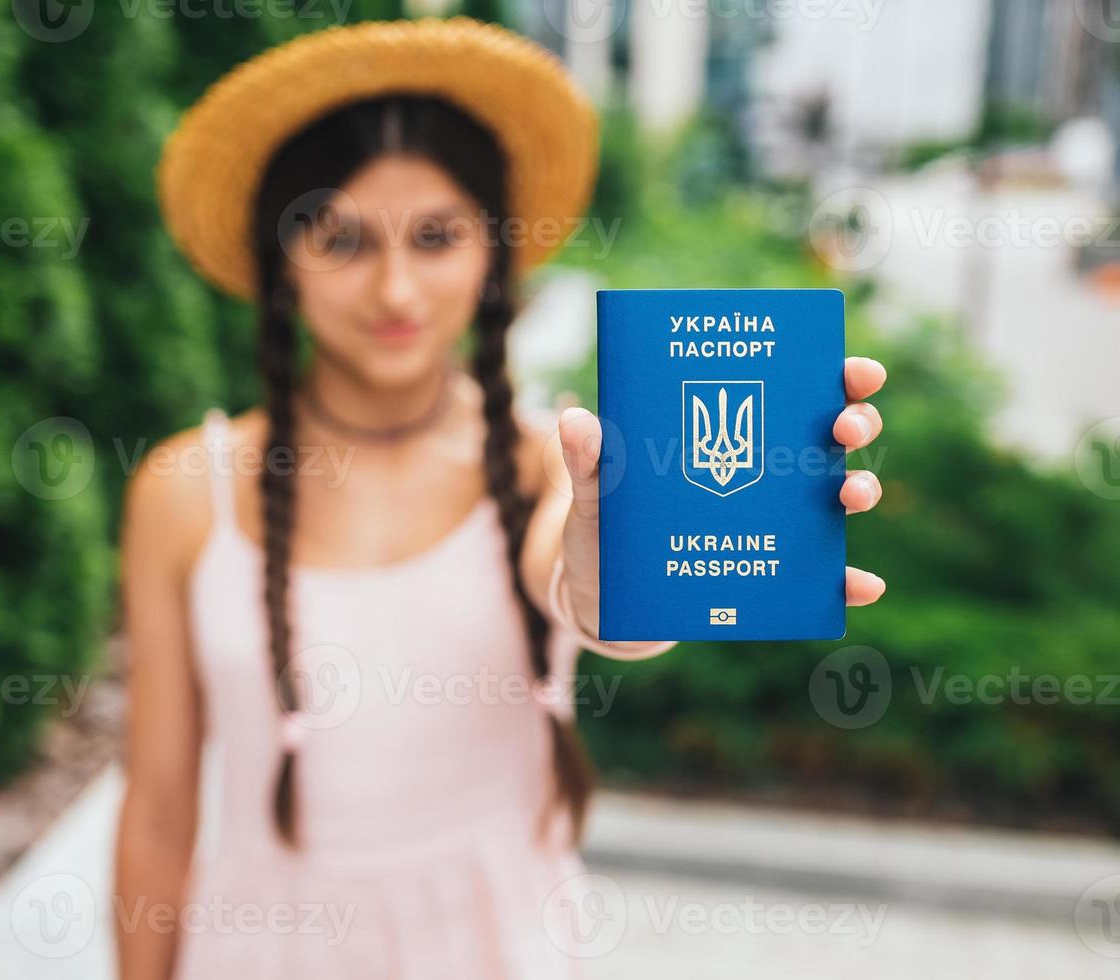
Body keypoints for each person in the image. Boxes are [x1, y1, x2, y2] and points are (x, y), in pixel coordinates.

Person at [115, 18, 887, 979]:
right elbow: (155, 807)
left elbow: (596, 601)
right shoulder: (184, 492)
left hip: (495, 945)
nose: (395, 288)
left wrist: (645, 561)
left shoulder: (544, 463)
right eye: (342, 238)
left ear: (493, 253)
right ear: (280, 259)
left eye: (436, 237)